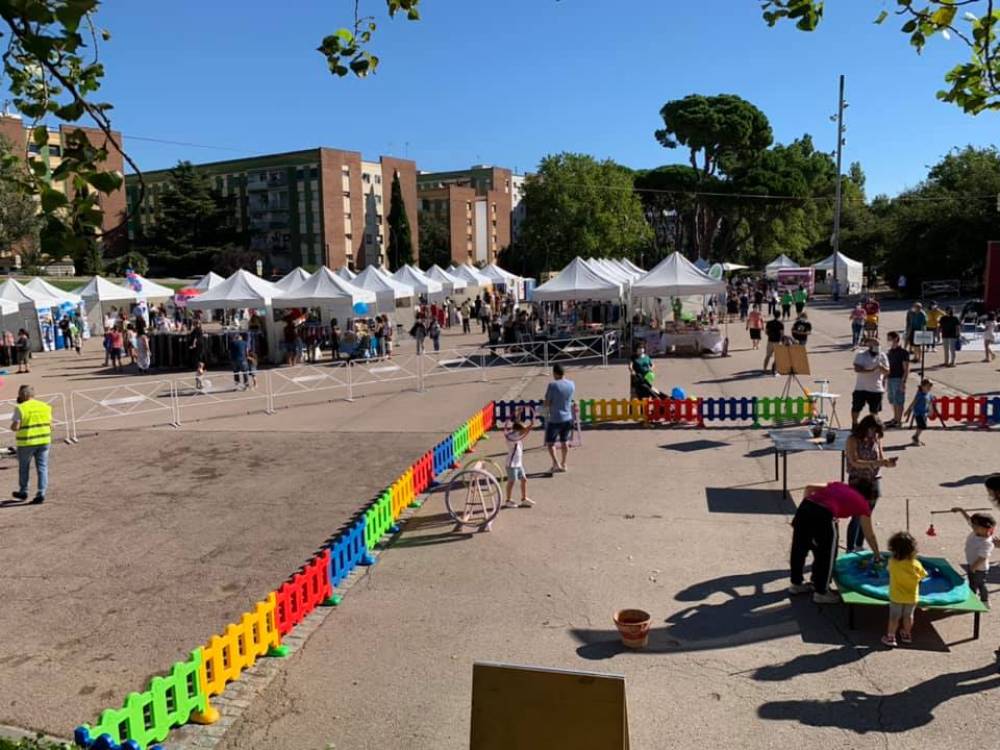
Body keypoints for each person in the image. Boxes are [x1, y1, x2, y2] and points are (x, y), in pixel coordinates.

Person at [789, 479, 880, 604]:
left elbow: (809, 487)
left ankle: (796, 584)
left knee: (799, 549)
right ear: (870, 497)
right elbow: (869, 534)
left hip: (805, 508)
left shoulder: (839, 485)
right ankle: (821, 592)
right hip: (824, 515)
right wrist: (877, 553)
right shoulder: (863, 503)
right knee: (827, 555)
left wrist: (809, 511)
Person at [845, 415, 897, 552]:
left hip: (873, 481)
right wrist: (876, 463)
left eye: (877, 432)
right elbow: (854, 461)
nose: (875, 435)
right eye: (873, 431)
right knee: (856, 517)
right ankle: (849, 549)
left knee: (867, 515)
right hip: (858, 481)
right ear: (866, 428)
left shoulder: (877, 439)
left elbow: (880, 457)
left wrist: (887, 463)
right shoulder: (853, 440)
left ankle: (860, 544)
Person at [883, 531, 926, 647]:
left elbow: (888, 571)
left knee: (894, 617)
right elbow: (923, 576)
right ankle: (907, 634)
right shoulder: (916, 564)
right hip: (912, 596)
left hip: (896, 596)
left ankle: (891, 637)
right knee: (908, 616)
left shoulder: (892, 562)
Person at [10, 385, 52, 504]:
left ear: (23, 395)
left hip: (27, 442)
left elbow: (16, 427)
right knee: (42, 467)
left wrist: (13, 426)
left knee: (24, 468)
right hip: (44, 440)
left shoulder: (21, 408)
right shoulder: (45, 406)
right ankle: (41, 493)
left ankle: (23, 491)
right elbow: (51, 425)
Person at [952, 508, 995, 607]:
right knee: (972, 584)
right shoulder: (977, 532)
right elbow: (969, 519)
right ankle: (972, 599)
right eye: (974, 525)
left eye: (976, 526)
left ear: (986, 528)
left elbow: (983, 557)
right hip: (972, 565)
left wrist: (973, 567)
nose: (973, 527)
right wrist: (961, 510)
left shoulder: (986, 542)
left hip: (979, 568)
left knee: (980, 584)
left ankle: (985, 601)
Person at [543, 364, 576, 474]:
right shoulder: (571, 384)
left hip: (555, 418)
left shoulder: (552, 385)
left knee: (550, 443)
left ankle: (555, 463)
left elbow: (547, 402)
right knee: (564, 441)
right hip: (567, 417)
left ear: (555, 373)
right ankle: (564, 463)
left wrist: (544, 413)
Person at [851, 336, 889, 426]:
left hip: (876, 389)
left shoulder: (882, 356)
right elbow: (857, 369)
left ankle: (872, 426)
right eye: (875, 344)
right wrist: (872, 370)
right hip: (861, 388)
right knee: (856, 408)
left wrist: (881, 367)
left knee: (874, 411)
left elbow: (887, 371)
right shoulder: (861, 355)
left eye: (878, 344)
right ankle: (855, 423)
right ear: (869, 345)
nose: (877, 346)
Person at [503, 420, 534, 508]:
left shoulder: (515, 434)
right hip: (512, 464)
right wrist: (530, 426)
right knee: (511, 482)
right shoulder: (512, 437)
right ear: (518, 430)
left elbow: (520, 427)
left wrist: (519, 413)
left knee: (524, 480)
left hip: (518, 463)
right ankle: (508, 500)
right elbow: (525, 431)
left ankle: (524, 499)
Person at [884, 331, 909, 428]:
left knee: (899, 400)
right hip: (890, 378)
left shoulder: (903, 353)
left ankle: (899, 420)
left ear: (896, 339)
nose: (888, 341)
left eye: (890, 339)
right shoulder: (890, 352)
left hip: (898, 378)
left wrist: (903, 381)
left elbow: (906, 369)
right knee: (892, 399)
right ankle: (895, 418)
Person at [903, 378, 935, 446]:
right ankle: (915, 437)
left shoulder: (929, 395)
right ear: (923, 387)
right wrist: (908, 411)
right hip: (918, 413)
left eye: (930, 387)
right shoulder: (920, 394)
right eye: (928, 386)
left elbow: (930, 403)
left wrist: (931, 411)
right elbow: (913, 403)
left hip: (924, 413)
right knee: (922, 426)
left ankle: (916, 437)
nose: (929, 388)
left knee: (922, 426)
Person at [763, 311, 784, 375]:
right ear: (779, 315)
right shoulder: (780, 324)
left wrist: (770, 335)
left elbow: (766, 332)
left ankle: (765, 369)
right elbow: (782, 333)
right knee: (777, 356)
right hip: (777, 341)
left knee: (768, 356)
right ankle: (775, 369)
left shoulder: (769, 323)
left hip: (770, 341)